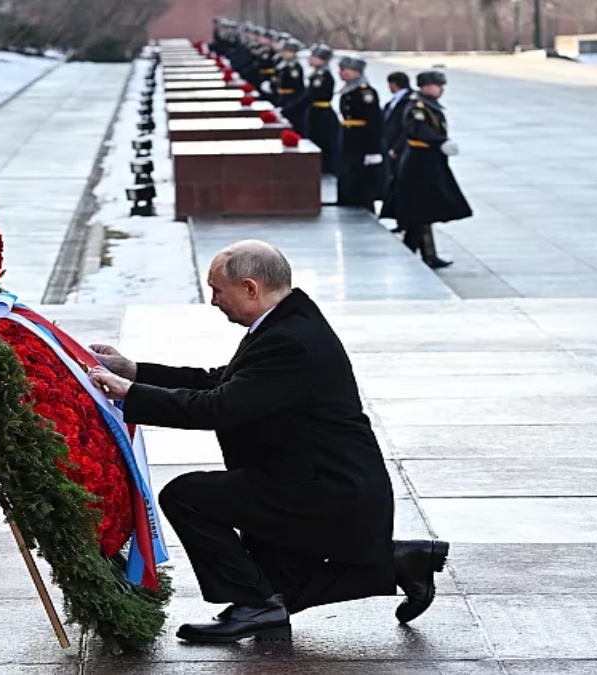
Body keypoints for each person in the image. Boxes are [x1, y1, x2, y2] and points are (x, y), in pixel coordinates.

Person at [89, 240, 450, 644]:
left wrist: (128, 393)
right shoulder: (286, 322)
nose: (212, 301)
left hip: (324, 488)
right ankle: (400, 563)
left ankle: (256, 606)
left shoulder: (289, 339)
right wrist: (135, 372)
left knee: (187, 495)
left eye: (217, 290)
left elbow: (218, 407)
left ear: (249, 287)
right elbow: (221, 382)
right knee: (281, 591)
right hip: (302, 475)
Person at [395, 71, 472, 269]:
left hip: (427, 161)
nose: (442, 89)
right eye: (438, 85)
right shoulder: (418, 107)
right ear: (426, 87)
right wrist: (441, 142)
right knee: (421, 208)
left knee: (422, 209)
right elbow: (419, 131)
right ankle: (417, 250)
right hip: (419, 163)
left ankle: (422, 251)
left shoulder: (428, 105)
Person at [335, 56, 385, 212]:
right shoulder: (349, 90)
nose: (341, 73)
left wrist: (373, 150)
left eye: (345, 70)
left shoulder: (365, 92)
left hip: (361, 140)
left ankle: (361, 206)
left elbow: (374, 122)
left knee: (359, 176)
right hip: (349, 138)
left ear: (356, 72)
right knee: (347, 173)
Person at [287, 45, 339, 175]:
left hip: (321, 113)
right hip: (315, 111)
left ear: (322, 60)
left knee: (321, 140)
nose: (310, 60)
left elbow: (310, 96)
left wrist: (287, 109)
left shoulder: (322, 76)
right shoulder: (317, 74)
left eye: (313, 57)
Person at [378, 71, 413, 228]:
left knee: (401, 184)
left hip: (400, 149)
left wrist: (397, 148)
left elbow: (406, 129)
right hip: (390, 147)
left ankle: (404, 220)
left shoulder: (408, 101)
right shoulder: (396, 100)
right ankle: (400, 218)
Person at [272, 39, 306, 135]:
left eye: (287, 51)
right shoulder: (284, 64)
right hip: (282, 97)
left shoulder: (294, 67)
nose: (284, 53)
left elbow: (297, 87)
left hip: (290, 98)